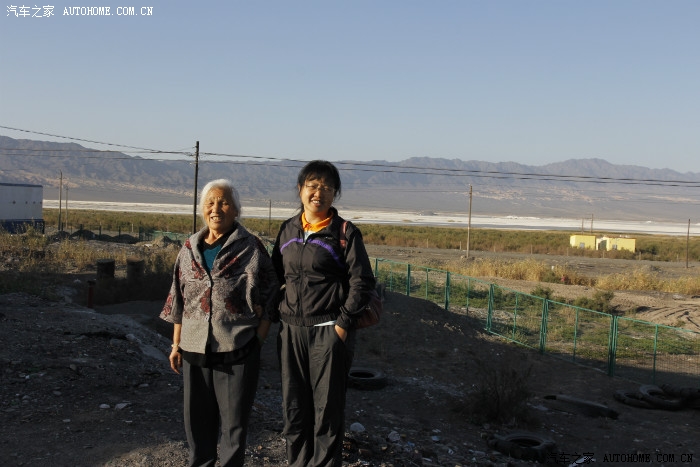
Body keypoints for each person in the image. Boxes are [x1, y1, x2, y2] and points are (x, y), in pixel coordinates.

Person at [160, 179, 278, 467]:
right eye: (210, 203)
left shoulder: (251, 247)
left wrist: (259, 338)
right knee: (197, 422)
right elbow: (178, 297)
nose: (216, 209)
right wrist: (176, 344)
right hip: (193, 348)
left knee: (234, 425)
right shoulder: (189, 247)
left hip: (237, 347)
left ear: (236, 210)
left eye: (224, 202)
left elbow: (272, 293)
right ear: (202, 209)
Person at [271, 160, 376, 466]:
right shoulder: (287, 229)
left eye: (327, 187)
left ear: (335, 193)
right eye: (313, 186)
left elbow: (362, 281)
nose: (319, 193)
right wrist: (271, 316)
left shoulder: (344, 232)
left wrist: (342, 325)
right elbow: (274, 276)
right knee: (294, 408)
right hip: (291, 331)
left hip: (328, 330)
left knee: (327, 412)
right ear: (300, 189)